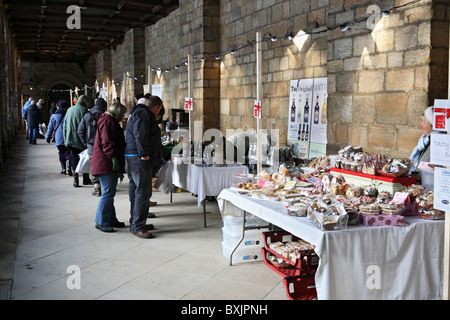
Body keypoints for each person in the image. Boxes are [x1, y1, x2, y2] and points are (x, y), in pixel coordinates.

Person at [125, 95, 162, 239]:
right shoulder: (143, 114)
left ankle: (136, 222)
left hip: (133, 157)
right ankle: (137, 226)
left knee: (136, 190)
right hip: (138, 158)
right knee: (143, 192)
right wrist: (144, 154)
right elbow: (140, 135)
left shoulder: (139, 113)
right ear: (156, 107)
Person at [91, 101, 127, 233]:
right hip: (105, 162)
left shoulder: (107, 120)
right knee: (107, 192)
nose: (123, 116)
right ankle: (101, 221)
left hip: (104, 161)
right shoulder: (107, 122)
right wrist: (113, 158)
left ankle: (111, 219)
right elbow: (107, 143)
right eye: (122, 113)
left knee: (110, 192)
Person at [78, 98, 107, 197]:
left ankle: (97, 188)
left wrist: (86, 143)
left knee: (93, 167)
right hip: (104, 146)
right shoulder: (106, 116)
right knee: (105, 165)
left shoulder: (87, 116)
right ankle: (106, 186)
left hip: (91, 146)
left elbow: (80, 131)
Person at [63, 95, 90, 187]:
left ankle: (76, 180)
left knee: (74, 159)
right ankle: (85, 179)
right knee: (85, 159)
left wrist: (65, 138)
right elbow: (87, 127)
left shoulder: (70, 110)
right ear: (84, 101)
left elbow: (65, 125)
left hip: (71, 139)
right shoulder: (85, 111)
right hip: (81, 140)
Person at [45, 100, 70, 174]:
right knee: (68, 152)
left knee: (61, 153)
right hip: (69, 136)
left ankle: (63, 169)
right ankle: (69, 166)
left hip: (59, 137)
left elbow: (50, 127)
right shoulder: (69, 115)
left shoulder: (54, 116)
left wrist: (48, 137)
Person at [410, 106, 435, 173]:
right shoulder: (424, 142)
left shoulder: (435, 144)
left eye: (424, 122)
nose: (421, 125)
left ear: (432, 125)